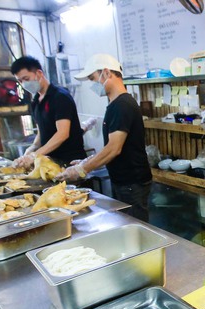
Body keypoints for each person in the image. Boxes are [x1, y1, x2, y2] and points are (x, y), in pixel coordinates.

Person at [56, 54, 151, 222]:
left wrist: (81, 170)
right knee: (126, 225)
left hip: (131, 183)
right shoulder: (115, 104)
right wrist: (86, 161)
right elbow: (112, 147)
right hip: (124, 181)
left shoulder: (122, 105)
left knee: (135, 229)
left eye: (93, 79)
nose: (93, 85)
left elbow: (114, 148)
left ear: (106, 73)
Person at [10, 56, 86, 168]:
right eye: (20, 81)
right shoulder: (36, 101)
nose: (23, 84)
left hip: (70, 163)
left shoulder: (59, 97)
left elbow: (62, 134)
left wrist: (35, 155)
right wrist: (33, 147)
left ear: (39, 73)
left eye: (26, 79)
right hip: (51, 163)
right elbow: (42, 131)